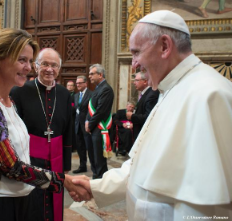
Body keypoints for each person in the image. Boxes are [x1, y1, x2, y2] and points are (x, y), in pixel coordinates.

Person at [70, 10, 232, 220]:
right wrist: (98, 187)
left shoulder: (210, 95)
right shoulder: (169, 89)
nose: (134, 64)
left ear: (164, 46)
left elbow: (206, 205)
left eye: (136, 52)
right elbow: (142, 166)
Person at [0, 28, 79, 221]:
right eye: (22, 60)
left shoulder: (8, 100)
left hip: (21, 197)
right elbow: (10, 167)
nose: (29, 68)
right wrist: (63, 181)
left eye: (30, 61)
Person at [10, 48, 72, 221]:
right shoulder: (20, 91)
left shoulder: (65, 94)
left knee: (54, 200)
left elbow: (68, 132)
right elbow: (14, 129)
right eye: (44, 64)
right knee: (32, 201)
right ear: (36, 67)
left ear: (59, 69)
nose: (49, 69)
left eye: (54, 65)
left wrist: (66, 162)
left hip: (57, 158)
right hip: (29, 157)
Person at [85, 64, 114, 179]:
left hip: (99, 128)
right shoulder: (98, 88)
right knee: (93, 158)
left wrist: (90, 125)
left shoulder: (106, 89)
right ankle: (96, 179)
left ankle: (101, 182)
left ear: (100, 75)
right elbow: (92, 108)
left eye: (92, 74)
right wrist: (87, 121)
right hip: (94, 128)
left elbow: (100, 111)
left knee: (99, 160)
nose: (89, 76)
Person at [126, 72, 159, 141]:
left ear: (145, 81)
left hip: (145, 136)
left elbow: (149, 117)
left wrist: (132, 116)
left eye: (136, 80)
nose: (134, 83)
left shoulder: (151, 95)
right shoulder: (145, 94)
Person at [73, 75, 94, 174]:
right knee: (80, 147)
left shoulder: (91, 95)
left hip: (87, 125)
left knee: (89, 147)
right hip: (77, 125)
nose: (78, 85)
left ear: (85, 83)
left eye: (80, 83)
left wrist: (88, 122)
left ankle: (94, 167)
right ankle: (82, 166)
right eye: (76, 83)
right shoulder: (76, 96)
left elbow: (92, 111)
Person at [67, 80, 77, 152]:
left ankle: (73, 147)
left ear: (74, 87)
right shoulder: (63, 94)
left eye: (71, 85)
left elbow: (75, 106)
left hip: (73, 117)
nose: (69, 87)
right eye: (68, 85)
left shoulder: (76, 95)